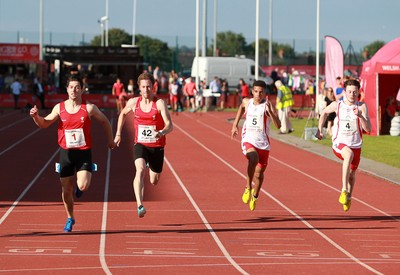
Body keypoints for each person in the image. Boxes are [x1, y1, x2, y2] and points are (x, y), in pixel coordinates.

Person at [29, 75, 116, 232]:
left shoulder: (89, 108)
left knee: (82, 185)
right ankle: (70, 217)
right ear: (67, 89)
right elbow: (45, 123)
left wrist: (110, 141)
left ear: (82, 89)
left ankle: (80, 187)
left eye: (77, 87)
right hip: (66, 153)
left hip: (83, 152)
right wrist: (36, 117)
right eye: (71, 87)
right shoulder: (59, 108)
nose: (74, 90)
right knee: (66, 191)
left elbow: (105, 121)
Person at [114, 72, 173, 218]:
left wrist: (162, 131)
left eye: (148, 87)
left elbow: (170, 125)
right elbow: (122, 114)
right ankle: (139, 205)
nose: (146, 90)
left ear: (153, 87)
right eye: (143, 87)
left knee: (154, 180)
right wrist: (118, 133)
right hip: (140, 144)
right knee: (139, 171)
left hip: (157, 146)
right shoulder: (134, 102)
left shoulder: (159, 104)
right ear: (139, 88)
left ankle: (150, 166)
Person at [315, 79, 371, 212]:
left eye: (355, 92)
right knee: (348, 154)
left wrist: (361, 117)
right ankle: (344, 190)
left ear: (358, 93)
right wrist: (319, 130)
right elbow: (323, 113)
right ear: (345, 92)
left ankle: (349, 197)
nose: (352, 94)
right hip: (339, 143)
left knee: (352, 174)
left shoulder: (362, 106)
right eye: (349, 91)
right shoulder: (337, 105)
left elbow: (368, 129)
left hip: (356, 144)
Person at [231, 80, 281, 211]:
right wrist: (235, 124)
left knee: (258, 175)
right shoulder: (247, 102)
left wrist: (271, 112)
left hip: (263, 144)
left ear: (265, 93)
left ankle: (255, 195)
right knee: (253, 159)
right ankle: (248, 187)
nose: (258, 94)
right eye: (256, 91)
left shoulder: (267, 106)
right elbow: (241, 107)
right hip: (248, 139)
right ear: (252, 92)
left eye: (261, 92)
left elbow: (278, 125)